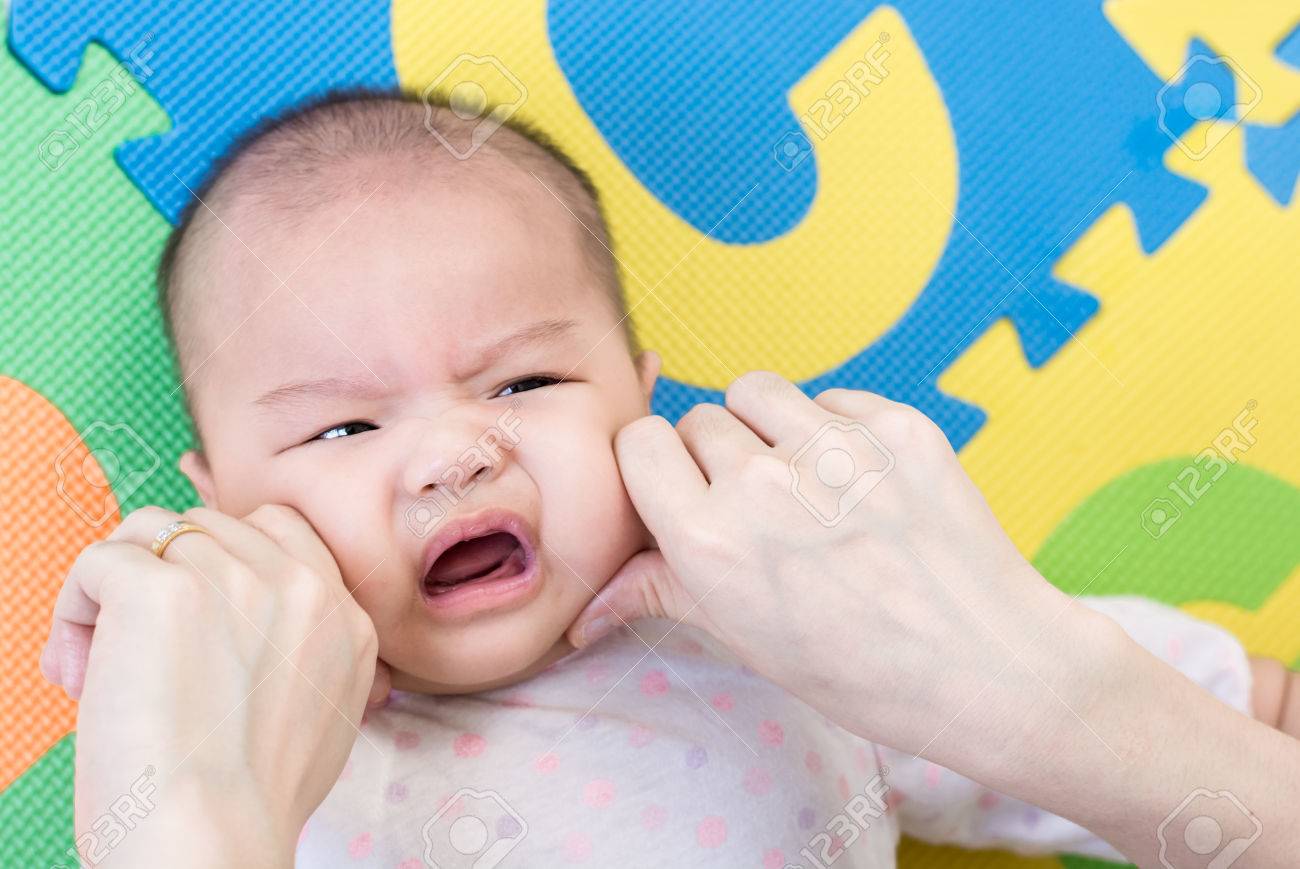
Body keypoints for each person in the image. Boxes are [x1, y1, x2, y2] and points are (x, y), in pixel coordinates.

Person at [45, 91, 1300, 867]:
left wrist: (1252, 696)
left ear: (640, 398)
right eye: (340, 431)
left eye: (525, 387)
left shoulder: (784, 646)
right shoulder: (262, 778)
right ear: (222, 505)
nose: (453, 452)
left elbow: (1092, 712)